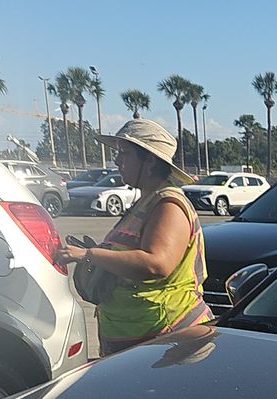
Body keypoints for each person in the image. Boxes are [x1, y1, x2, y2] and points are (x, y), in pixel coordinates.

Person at [55, 119, 211, 355]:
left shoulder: (169, 204)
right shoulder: (146, 202)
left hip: (167, 340)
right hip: (137, 341)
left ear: (149, 161)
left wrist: (90, 255)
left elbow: (157, 263)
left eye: (124, 153)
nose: (117, 161)